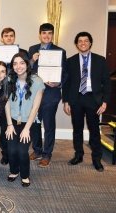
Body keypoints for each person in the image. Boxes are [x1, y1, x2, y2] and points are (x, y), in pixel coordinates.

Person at [62, 32, 111, 172]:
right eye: (80, 41)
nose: (83, 43)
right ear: (76, 44)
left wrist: (105, 102)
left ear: (90, 43)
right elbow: (67, 83)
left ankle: (97, 159)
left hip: (93, 99)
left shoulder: (100, 60)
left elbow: (107, 83)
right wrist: (66, 101)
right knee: (77, 129)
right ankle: (78, 155)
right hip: (76, 99)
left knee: (94, 130)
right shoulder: (70, 61)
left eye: (86, 41)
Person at [28, 23, 67, 167]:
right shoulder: (32, 49)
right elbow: (25, 69)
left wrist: (58, 83)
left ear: (52, 35)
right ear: (40, 35)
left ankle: (47, 154)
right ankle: (37, 150)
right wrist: (32, 60)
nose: (46, 36)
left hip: (51, 93)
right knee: (34, 122)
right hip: (34, 93)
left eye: (49, 33)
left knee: (49, 124)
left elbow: (65, 72)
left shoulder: (60, 51)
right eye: (44, 33)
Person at [5, 53, 44, 187]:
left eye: (21, 63)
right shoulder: (9, 79)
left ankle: (25, 174)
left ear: (27, 64)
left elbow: (35, 107)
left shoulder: (37, 81)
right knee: (11, 150)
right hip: (13, 121)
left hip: (29, 123)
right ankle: (14, 171)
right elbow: (7, 103)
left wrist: (27, 128)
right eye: (15, 64)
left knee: (22, 151)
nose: (18, 66)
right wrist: (9, 124)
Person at [0, 27, 29, 165]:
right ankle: (5, 154)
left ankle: (15, 153)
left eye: (11, 36)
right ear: (2, 38)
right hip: (1, 94)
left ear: (14, 38)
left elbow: (28, 71)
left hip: (18, 97)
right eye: (6, 36)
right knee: (4, 125)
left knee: (15, 126)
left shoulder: (22, 54)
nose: (9, 38)